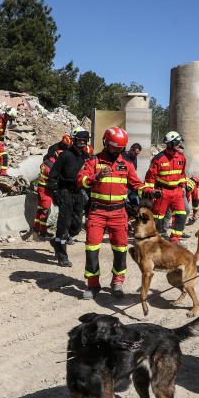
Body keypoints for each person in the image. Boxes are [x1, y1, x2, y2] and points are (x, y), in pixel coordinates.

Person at [77, 127, 143, 300]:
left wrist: (150, 192)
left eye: (120, 149)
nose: (116, 151)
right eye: (114, 148)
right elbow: (81, 180)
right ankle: (92, 285)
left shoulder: (126, 164)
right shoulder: (93, 161)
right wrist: (97, 176)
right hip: (97, 212)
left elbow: (137, 184)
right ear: (106, 143)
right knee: (92, 249)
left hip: (119, 213)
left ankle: (117, 282)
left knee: (120, 249)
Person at [47, 129, 91, 267]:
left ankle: (57, 242)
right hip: (65, 192)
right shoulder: (65, 155)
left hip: (79, 193)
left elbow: (89, 176)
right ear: (74, 140)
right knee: (64, 224)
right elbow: (53, 175)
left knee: (77, 225)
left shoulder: (86, 157)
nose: (81, 143)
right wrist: (55, 193)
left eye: (84, 141)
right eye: (79, 141)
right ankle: (62, 255)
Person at [143, 131, 188, 242]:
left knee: (181, 215)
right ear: (170, 144)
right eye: (177, 142)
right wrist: (150, 192)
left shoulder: (181, 158)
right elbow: (150, 177)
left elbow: (182, 174)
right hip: (162, 192)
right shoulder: (158, 159)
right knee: (158, 218)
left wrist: (182, 186)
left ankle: (174, 240)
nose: (179, 144)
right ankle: (157, 238)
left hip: (177, 191)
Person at [32, 133, 71, 238]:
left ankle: (37, 228)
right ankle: (42, 232)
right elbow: (55, 178)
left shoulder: (47, 162)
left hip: (42, 188)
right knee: (45, 210)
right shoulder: (52, 166)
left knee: (40, 209)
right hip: (46, 189)